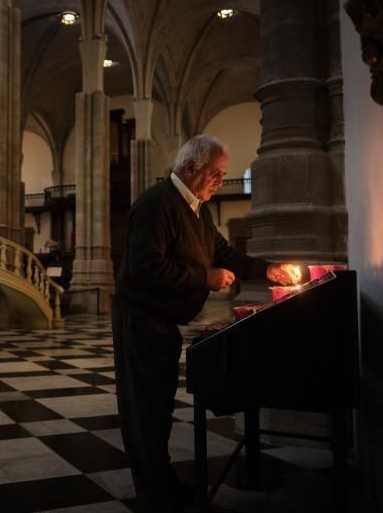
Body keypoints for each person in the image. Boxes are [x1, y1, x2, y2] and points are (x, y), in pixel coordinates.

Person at [112, 134, 298, 512]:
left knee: (159, 410)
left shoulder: (198, 209)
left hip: (163, 322)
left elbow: (225, 253)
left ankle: (162, 485)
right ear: (189, 165)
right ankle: (154, 498)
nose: (218, 180)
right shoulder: (156, 204)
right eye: (214, 173)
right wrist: (206, 278)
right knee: (144, 414)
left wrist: (269, 271)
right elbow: (144, 268)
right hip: (140, 321)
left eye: (222, 174)